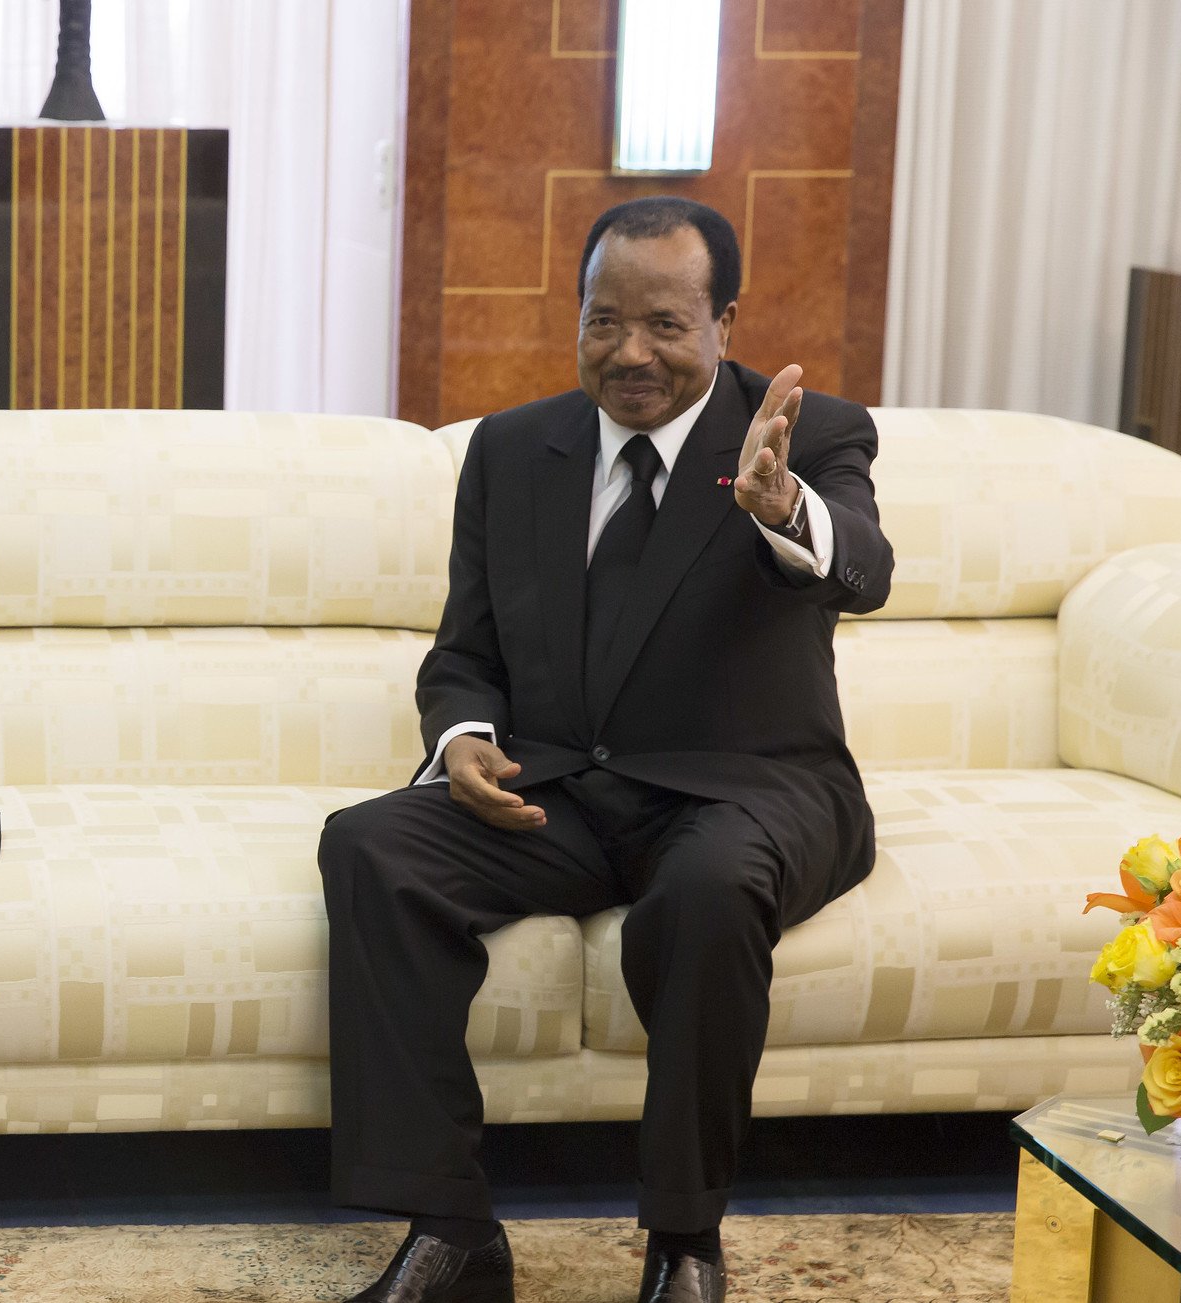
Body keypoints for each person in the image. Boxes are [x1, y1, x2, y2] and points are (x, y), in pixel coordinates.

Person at [318, 196, 893, 1303]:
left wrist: (785, 512)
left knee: (708, 890)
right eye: (602, 321)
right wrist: (466, 736)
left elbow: (863, 567)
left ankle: (684, 1242)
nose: (629, 353)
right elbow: (463, 646)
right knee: (372, 847)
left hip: (750, 785)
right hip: (566, 787)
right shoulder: (509, 447)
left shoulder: (806, 436)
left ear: (722, 321)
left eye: (665, 325)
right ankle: (451, 1230)